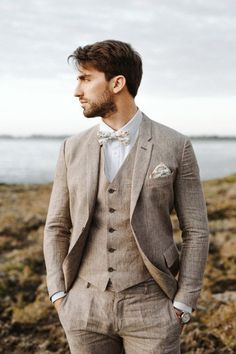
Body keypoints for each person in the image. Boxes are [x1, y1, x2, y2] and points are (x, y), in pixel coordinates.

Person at [43, 39, 209, 354]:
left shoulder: (175, 145)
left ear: (118, 83)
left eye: (86, 79)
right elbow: (56, 226)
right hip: (83, 308)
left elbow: (197, 230)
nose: (77, 91)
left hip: (152, 309)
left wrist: (184, 301)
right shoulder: (71, 148)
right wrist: (59, 295)